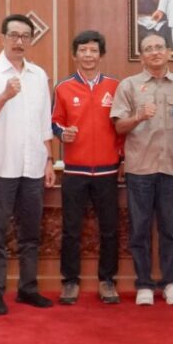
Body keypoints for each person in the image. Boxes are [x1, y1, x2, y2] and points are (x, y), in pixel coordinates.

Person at [0, 13, 55, 314]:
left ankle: (27, 288)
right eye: (14, 35)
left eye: (25, 36)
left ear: (30, 40)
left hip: (32, 166)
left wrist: (48, 161)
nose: (19, 41)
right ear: (3, 37)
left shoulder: (38, 75)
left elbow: (45, 123)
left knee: (31, 232)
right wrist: (4, 95)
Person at [111, 33, 173, 306]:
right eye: (148, 49)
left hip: (171, 168)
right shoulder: (129, 86)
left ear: (169, 52)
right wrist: (138, 116)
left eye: (159, 47)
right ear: (141, 55)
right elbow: (118, 126)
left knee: (170, 229)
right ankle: (143, 283)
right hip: (140, 169)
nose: (155, 52)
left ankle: (171, 282)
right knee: (140, 229)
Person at [52, 30, 123, 305]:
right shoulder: (63, 87)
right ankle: (70, 281)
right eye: (83, 51)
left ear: (101, 55)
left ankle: (107, 281)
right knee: (71, 228)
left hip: (107, 170)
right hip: (75, 171)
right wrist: (62, 133)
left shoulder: (115, 87)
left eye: (93, 51)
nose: (88, 55)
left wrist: (122, 159)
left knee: (109, 228)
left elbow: (121, 128)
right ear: (75, 55)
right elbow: (54, 122)